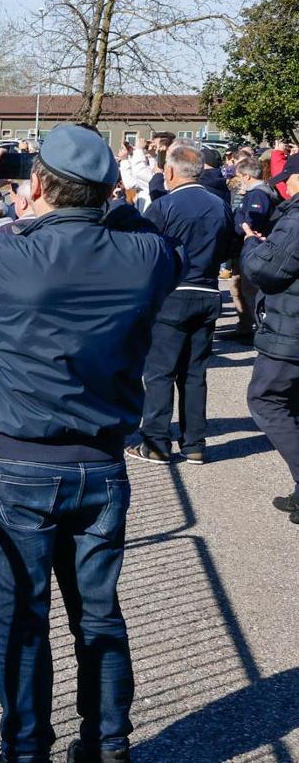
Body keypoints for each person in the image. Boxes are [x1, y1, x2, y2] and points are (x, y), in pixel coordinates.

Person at [0, 126, 180, 763]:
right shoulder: (145, 259)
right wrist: (87, 202)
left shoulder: (7, 259)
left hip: (15, 464)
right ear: (108, 190)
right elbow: (140, 232)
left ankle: (26, 749)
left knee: (21, 620)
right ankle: (108, 746)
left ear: (38, 185)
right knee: (100, 616)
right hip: (101, 466)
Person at [131, 145, 230, 465]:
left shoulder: (164, 206)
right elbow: (229, 246)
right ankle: (194, 443)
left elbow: (144, 252)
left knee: (160, 371)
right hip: (208, 291)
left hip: (173, 293)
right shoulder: (220, 205)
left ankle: (157, 442)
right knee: (194, 372)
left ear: (171, 173)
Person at [240, 186, 299, 527]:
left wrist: (252, 243)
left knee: (266, 399)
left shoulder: (295, 218)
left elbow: (266, 270)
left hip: (290, 331)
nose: (283, 184)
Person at [226, 155, 274, 342]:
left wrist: (238, 222)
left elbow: (252, 223)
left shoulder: (258, 194)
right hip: (245, 248)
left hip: (253, 248)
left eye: (238, 176)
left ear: (246, 176)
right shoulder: (256, 193)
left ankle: (258, 330)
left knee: (250, 291)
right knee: (240, 288)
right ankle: (245, 327)